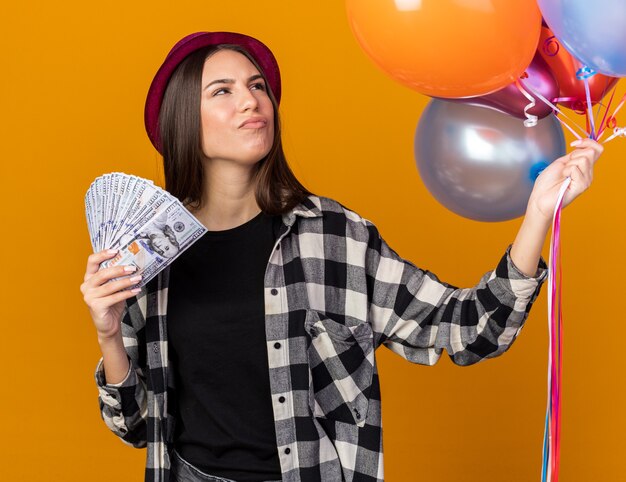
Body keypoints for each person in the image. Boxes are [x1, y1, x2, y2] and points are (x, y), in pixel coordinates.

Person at [80, 32, 603, 482]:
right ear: (182, 120)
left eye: (257, 86)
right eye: (223, 91)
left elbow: (470, 330)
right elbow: (134, 423)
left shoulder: (336, 237)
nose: (251, 101)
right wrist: (108, 333)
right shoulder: (152, 253)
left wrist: (537, 213)